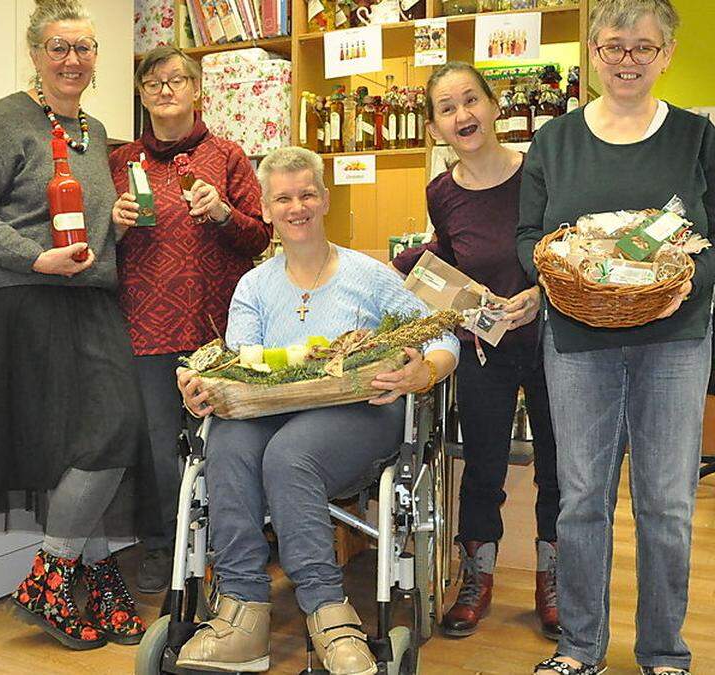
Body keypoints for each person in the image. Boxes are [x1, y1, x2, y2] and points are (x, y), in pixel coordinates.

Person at [515, 1, 715, 673]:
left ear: (667, 54)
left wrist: (682, 281)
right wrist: (564, 268)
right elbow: (528, 237)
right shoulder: (554, 142)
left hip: (674, 339)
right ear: (592, 51)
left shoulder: (698, 139)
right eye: (614, 47)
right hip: (577, 342)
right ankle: (580, 647)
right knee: (582, 496)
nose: (627, 61)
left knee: (666, 503)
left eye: (644, 48)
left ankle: (664, 651)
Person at [173, 146, 459, 675]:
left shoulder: (367, 275)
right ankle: (242, 613)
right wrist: (199, 383)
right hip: (272, 412)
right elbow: (238, 366)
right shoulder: (254, 286)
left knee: (289, 455)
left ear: (324, 198)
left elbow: (443, 335)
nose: (296, 206)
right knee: (228, 443)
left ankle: (329, 613)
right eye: (283, 197)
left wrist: (424, 372)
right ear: (264, 208)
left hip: (363, 410)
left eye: (306, 194)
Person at [0, 0, 147, 650]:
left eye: (84, 48)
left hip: (83, 297)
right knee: (87, 441)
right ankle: (74, 576)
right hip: (29, 298)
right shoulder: (8, 117)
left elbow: (79, 225)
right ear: (35, 54)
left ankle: (64, 573)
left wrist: (109, 227)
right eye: (59, 47)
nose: (72, 60)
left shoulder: (93, 125)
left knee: (109, 431)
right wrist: (36, 255)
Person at [392, 61, 560, 641]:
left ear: (493, 106)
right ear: (435, 126)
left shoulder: (540, 172)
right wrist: (459, 295)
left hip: (551, 343)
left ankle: (553, 578)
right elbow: (449, 268)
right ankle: (478, 577)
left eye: (471, 100)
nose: (462, 115)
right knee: (483, 466)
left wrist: (539, 294)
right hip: (485, 351)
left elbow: (568, 253)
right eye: (446, 108)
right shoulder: (441, 192)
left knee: (558, 468)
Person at [109, 45, 270, 595]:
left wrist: (225, 213)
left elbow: (259, 239)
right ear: (141, 94)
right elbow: (91, 247)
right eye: (152, 82)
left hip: (216, 330)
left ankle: (230, 550)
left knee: (222, 444)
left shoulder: (228, 156)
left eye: (176, 79)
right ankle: (166, 548)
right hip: (145, 328)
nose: (165, 90)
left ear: (197, 89)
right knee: (158, 447)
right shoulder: (121, 162)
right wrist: (116, 225)